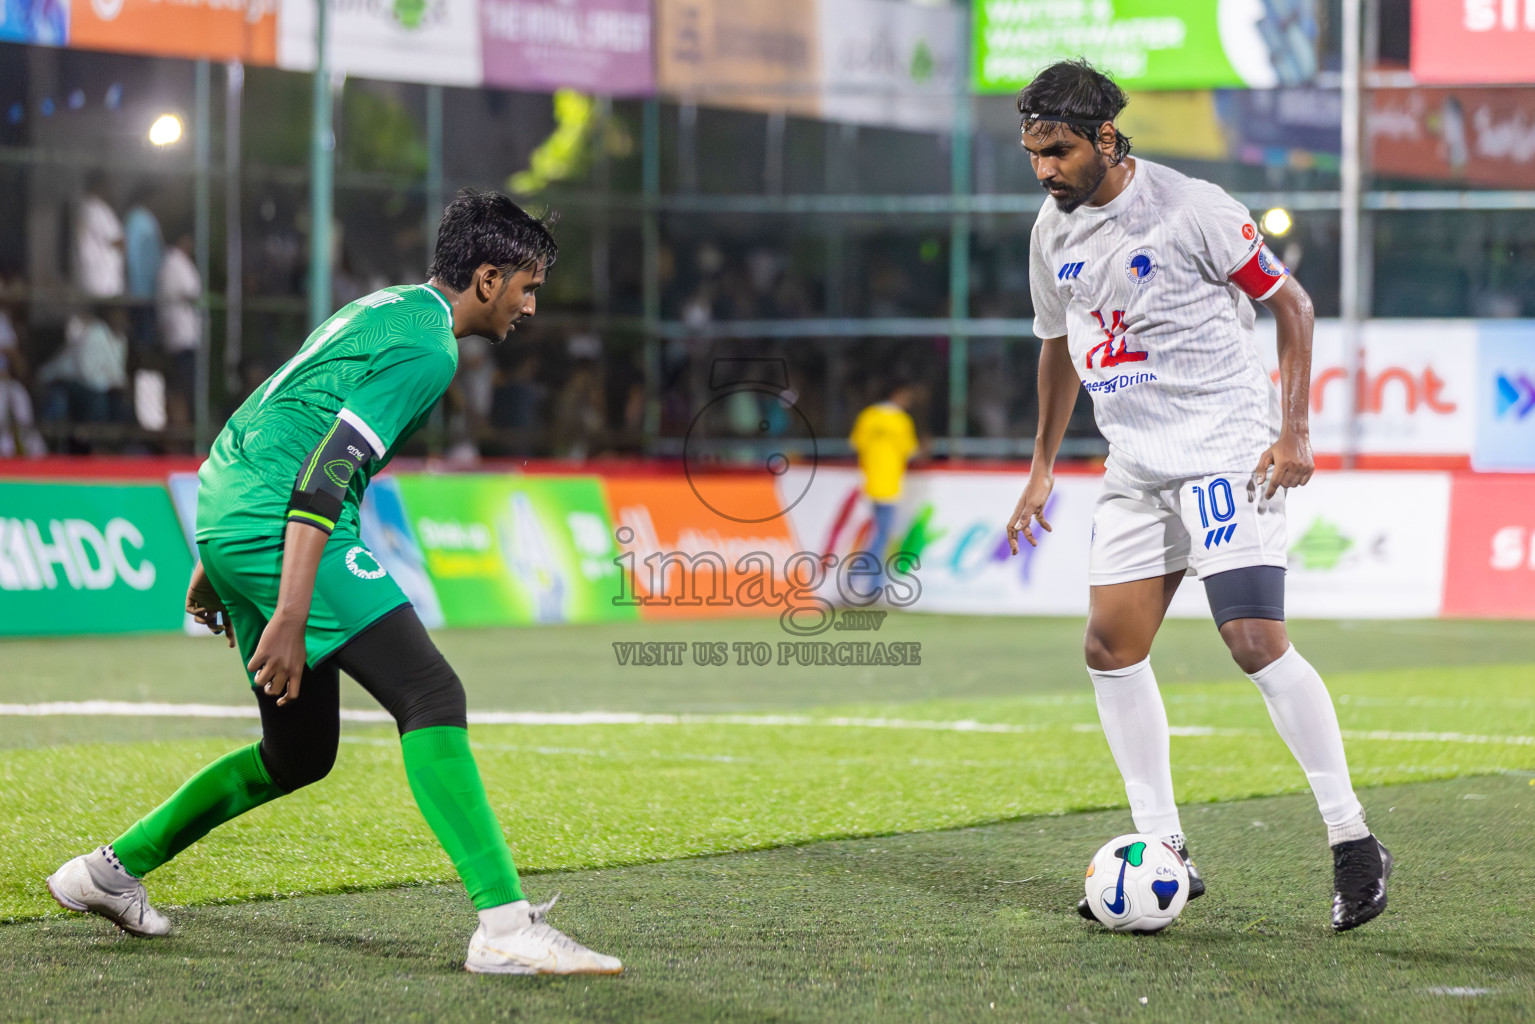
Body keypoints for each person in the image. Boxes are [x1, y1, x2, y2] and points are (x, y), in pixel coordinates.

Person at [47, 190, 623, 976]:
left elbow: (277, 409)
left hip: (231, 501)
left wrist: (211, 558)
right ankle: (503, 925)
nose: (529, 306)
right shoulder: (432, 350)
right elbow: (328, 470)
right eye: (527, 287)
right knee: (430, 694)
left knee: (299, 752)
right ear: (487, 279)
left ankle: (106, 873)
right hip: (272, 515)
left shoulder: (385, 306)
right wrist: (287, 610)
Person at [1004, 60, 1390, 933]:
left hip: (1223, 452)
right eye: (1032, 154)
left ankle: (1352, 839)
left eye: (1058, 151)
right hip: (1135, 466)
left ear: (1106, 137)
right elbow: (1057, 345)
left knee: (1253, 641)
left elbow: (1291, 304)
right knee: (1109, 647)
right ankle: (1164, 846)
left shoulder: (1193, 208)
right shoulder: (1050, 229)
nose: (1044, 170)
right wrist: (1040, 465)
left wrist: (1291, 432)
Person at [848, 380, 919, 600]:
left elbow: (856, 444)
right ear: (897, 394)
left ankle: (858, 584)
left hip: (869, 484)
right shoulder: (901, 420)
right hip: (889, 486)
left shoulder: (868, 416)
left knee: (875, 535)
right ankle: (866, 586)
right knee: (880, 538)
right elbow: (911, 451)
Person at [156, 231, 201, 431]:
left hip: (183, 337)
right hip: (181, 338)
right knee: (183, 391)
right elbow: (193, 294)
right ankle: (182, 432)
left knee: (184, 389)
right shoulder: (175, 263)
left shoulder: (174, 262)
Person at [75, 172, 124, 300]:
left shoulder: (82, 207)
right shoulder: (97, 208)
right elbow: (118, 241)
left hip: (89, 279)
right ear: (100, 186)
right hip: (105, 283)